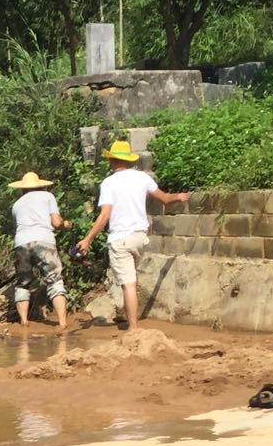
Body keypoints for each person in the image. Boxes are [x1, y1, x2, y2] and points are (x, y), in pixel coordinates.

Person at [76, 140, 189, 333]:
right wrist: (178, 196)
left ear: (112, 161)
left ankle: (134, 329)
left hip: (120, 239)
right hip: (139, 238)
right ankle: (130, 318)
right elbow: (164, 198)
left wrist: (88, 239)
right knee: (131, 281)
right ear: (128, 160)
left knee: (128, 285)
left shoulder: (109, 183)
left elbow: (105, 215)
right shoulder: (142, 178)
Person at [4, 171, 71, 330]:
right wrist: (66, 225)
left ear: (23, 189)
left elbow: (18, 227)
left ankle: (24, 322)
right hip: (43, 240)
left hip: (21, 243)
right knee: (54, 279)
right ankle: (62, 323)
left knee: (23, 283)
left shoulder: (16, 205)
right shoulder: (47, 197)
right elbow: (56, 222)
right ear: (40, 185)